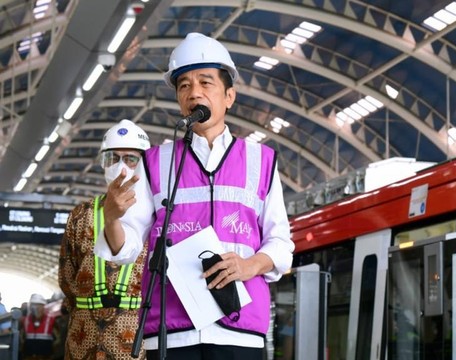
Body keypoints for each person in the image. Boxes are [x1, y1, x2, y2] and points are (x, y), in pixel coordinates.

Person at [94, 32, 294, 359]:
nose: (194, 93)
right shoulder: (156, 162)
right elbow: (127, 246)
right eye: (184, 85)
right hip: (172, 331)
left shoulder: (262, 161)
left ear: (229, 96)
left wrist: (248, 266)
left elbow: (281, 243)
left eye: (205, 82)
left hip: (240, 329)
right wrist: (113, 217)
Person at [58, 119, 150, 359]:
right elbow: (67, 277)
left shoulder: (158, 215)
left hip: (136, 338)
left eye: (131, 158)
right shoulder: (81, 214)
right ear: (102, 163)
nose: (121, 166)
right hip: (83, 337)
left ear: (145, 164)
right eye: (113, 158)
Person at [20, 293, 56, 360]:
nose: (36, 308)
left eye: (39, 305)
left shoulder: (52, 320)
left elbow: (58, 340)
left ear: (43, 306)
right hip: (29, 357)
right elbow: (21, 339)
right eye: (34, 305)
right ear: (30, 307)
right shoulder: (24, 320)